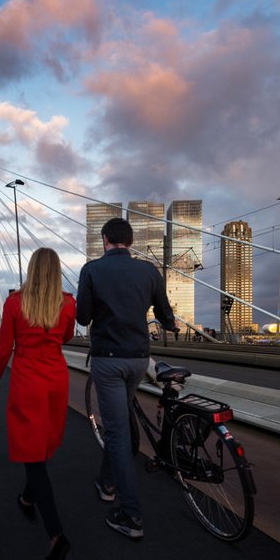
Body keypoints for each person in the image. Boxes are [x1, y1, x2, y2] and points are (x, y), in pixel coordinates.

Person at [76, 217, 177, 540]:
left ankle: (131, 515)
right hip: (138, 359)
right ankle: (106, 483)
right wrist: (171, 324)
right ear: (130, 242)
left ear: (105, 239)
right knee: (119, 426)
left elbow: (83, 317)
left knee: (117, 434)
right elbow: (164, 313)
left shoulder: (91, 270)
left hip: (108, 361)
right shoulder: (149, 271)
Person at [0, 248, 76, 560]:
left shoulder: (14, 303)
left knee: (33, 453)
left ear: (32, 269)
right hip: (56, 379)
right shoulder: (67, 303)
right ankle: (26, 498)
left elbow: (2, 349)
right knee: (42, 445)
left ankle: (55, 533)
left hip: (28, 381)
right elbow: (66, 336)